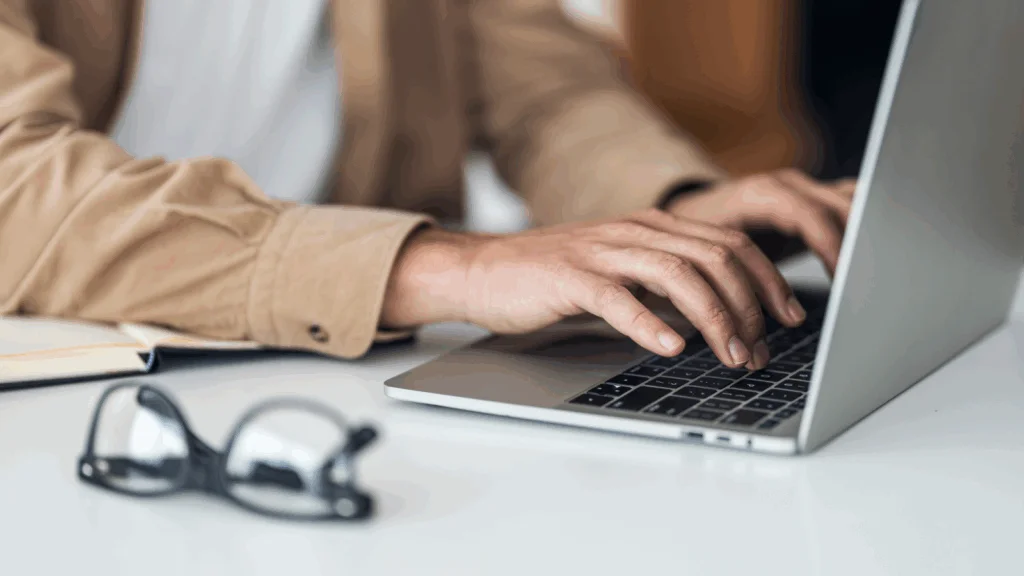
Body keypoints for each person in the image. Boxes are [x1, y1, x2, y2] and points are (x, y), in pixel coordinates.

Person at [0, 0, 853, 372]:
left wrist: (670, 207)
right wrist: (455, 269)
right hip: (73, 393)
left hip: (334, 363)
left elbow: (541, 82)